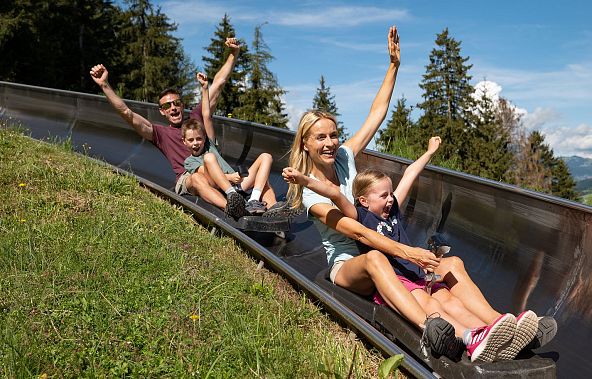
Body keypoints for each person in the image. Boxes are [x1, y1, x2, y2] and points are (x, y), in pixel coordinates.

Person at [282, 26, 481, 361]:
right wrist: (409, 251)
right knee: (374, 258)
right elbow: (359, 232)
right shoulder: (311, 197)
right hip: (350, 264)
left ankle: (487, 327)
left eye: (333, 135)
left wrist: (393, 67)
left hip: (387, 252)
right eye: (320, 138)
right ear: (306, 143)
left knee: (445, 267)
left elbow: (376, 115)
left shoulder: (345, 156)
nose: (330, 143)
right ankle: (429, 328)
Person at [284, 136, 539, 362]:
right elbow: (333, 192)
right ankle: (470, 337)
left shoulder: (392, 208)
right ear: (363, 200)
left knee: (449, 299)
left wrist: (428, 153)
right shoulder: (358, 215)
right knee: (431, 304)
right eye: (383, 195)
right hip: (398, 278)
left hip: (413, 272)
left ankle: (496, 331)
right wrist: (304, 180)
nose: (390, 199)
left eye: (390, 194)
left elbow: (409, 175)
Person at [89, 38, 277, 213]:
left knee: (263, 178)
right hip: (190, 178)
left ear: (182, 105)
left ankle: (273, 212)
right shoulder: (159, 133)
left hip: (221, 176)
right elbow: (127, 113)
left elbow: (218, 84)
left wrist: (233, 54)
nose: (173, 108)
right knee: (197, 177)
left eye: (176, 103)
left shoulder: (196, 118)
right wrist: (105, 85)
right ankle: (233, 208)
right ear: (162, 111)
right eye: (167, 106)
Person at [181, 72, 275, 217]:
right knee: (209, 158)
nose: (195, 143)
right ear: (185, 142)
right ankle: (233, 196)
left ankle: (258, 202)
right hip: (221, 187)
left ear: (204, 138)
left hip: (237, 184)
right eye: (191, 140)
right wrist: (229, 178)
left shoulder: (209, 145)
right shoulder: (190, 161)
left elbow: (206, 115)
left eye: (199, 139)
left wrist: (205, 88)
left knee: (266, 157)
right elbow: (205, 173)